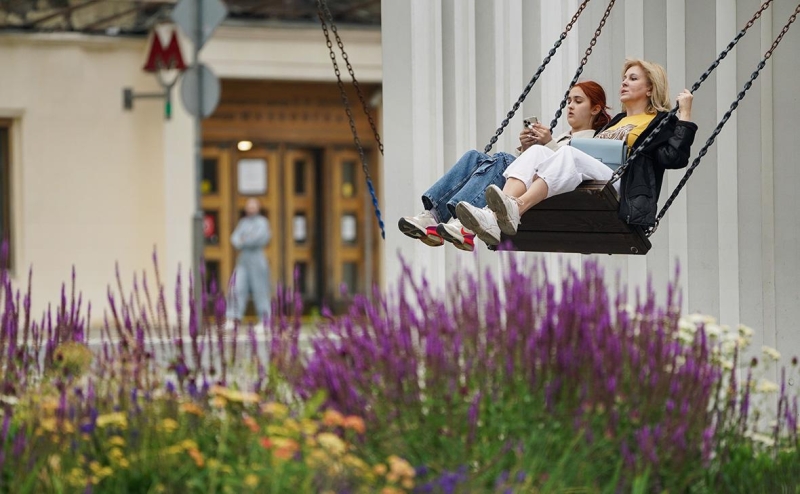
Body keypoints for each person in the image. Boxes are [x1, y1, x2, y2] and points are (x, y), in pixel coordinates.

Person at [457, 59, 697, 245]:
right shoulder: (617, 121)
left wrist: (684, 115)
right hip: (594, 175)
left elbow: (674, 158)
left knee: (569, 153)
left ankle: (517, 207)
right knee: (537, 151)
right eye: (624, 78)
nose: (624, 82)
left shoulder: (660, 121)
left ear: (650, 89)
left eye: (633, 78)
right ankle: (492, 215)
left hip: (621, 185)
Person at [398, 80, 611, 250]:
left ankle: (463, 224)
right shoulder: (561, 137)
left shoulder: (597, 139)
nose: (570, 106)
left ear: (595, 109)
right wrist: (526, 148)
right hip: (524, 186)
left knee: (501, 159)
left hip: (554, 192)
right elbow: (535, 165)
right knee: (474, 157)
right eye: (569, 101)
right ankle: (433, 215)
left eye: (578, 101)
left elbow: (572, 167)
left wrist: (548, 144)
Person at [226, 197, 272, 324]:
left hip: (257, 259)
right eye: (249, 206)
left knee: (260, 290)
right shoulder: (243, 223)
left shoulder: (262, 222)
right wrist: (246, 239)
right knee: (236, 287)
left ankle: (265, 320)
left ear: (258, 207)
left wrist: (244, 239)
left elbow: (258, 239)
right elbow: (234, 239)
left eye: (253, 206)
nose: (251, 208)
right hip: (243, 259)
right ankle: (233, 317)